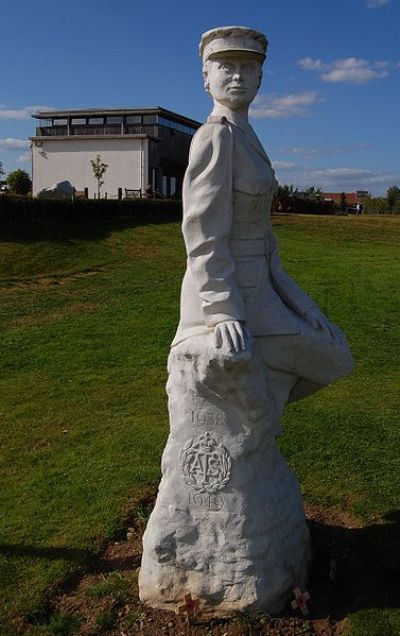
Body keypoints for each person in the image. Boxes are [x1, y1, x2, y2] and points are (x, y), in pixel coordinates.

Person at [172, 26, 353, 403]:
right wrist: (222, 312)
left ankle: (258, 421)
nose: (237, 75)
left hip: (263, 289)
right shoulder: (215, 136)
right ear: (206, 78)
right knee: (331, 358)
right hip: (230, 293)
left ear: (260, 79)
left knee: (336, 354)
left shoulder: (247, 136)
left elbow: (266, 241)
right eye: (226, 66)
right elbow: (203, 233)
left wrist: (303, 305)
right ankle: (255, 419)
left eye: (247, 67)